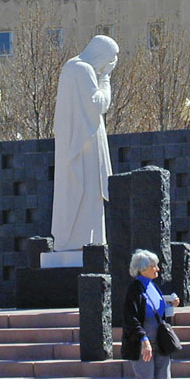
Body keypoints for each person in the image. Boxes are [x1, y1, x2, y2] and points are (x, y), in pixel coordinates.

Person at [51, 35, 119, 252]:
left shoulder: (71, 67)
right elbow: (99, 104)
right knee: (89, 191)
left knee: (86, 193)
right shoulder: (83, 69)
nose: (106, 65)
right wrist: (106, 77)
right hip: (84, 145)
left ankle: (79, 240)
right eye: (108, 60)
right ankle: (85, 242)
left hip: (79, 141)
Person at [121, 249, 180, 379]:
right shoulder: (135, 290)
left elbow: (156, 310)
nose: (157, 269)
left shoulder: (152, 286)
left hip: (161, 339)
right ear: (142, 268)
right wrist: (143, 339)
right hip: (143, 342)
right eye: (153, 266)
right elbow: (130, 318)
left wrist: (171, 304)